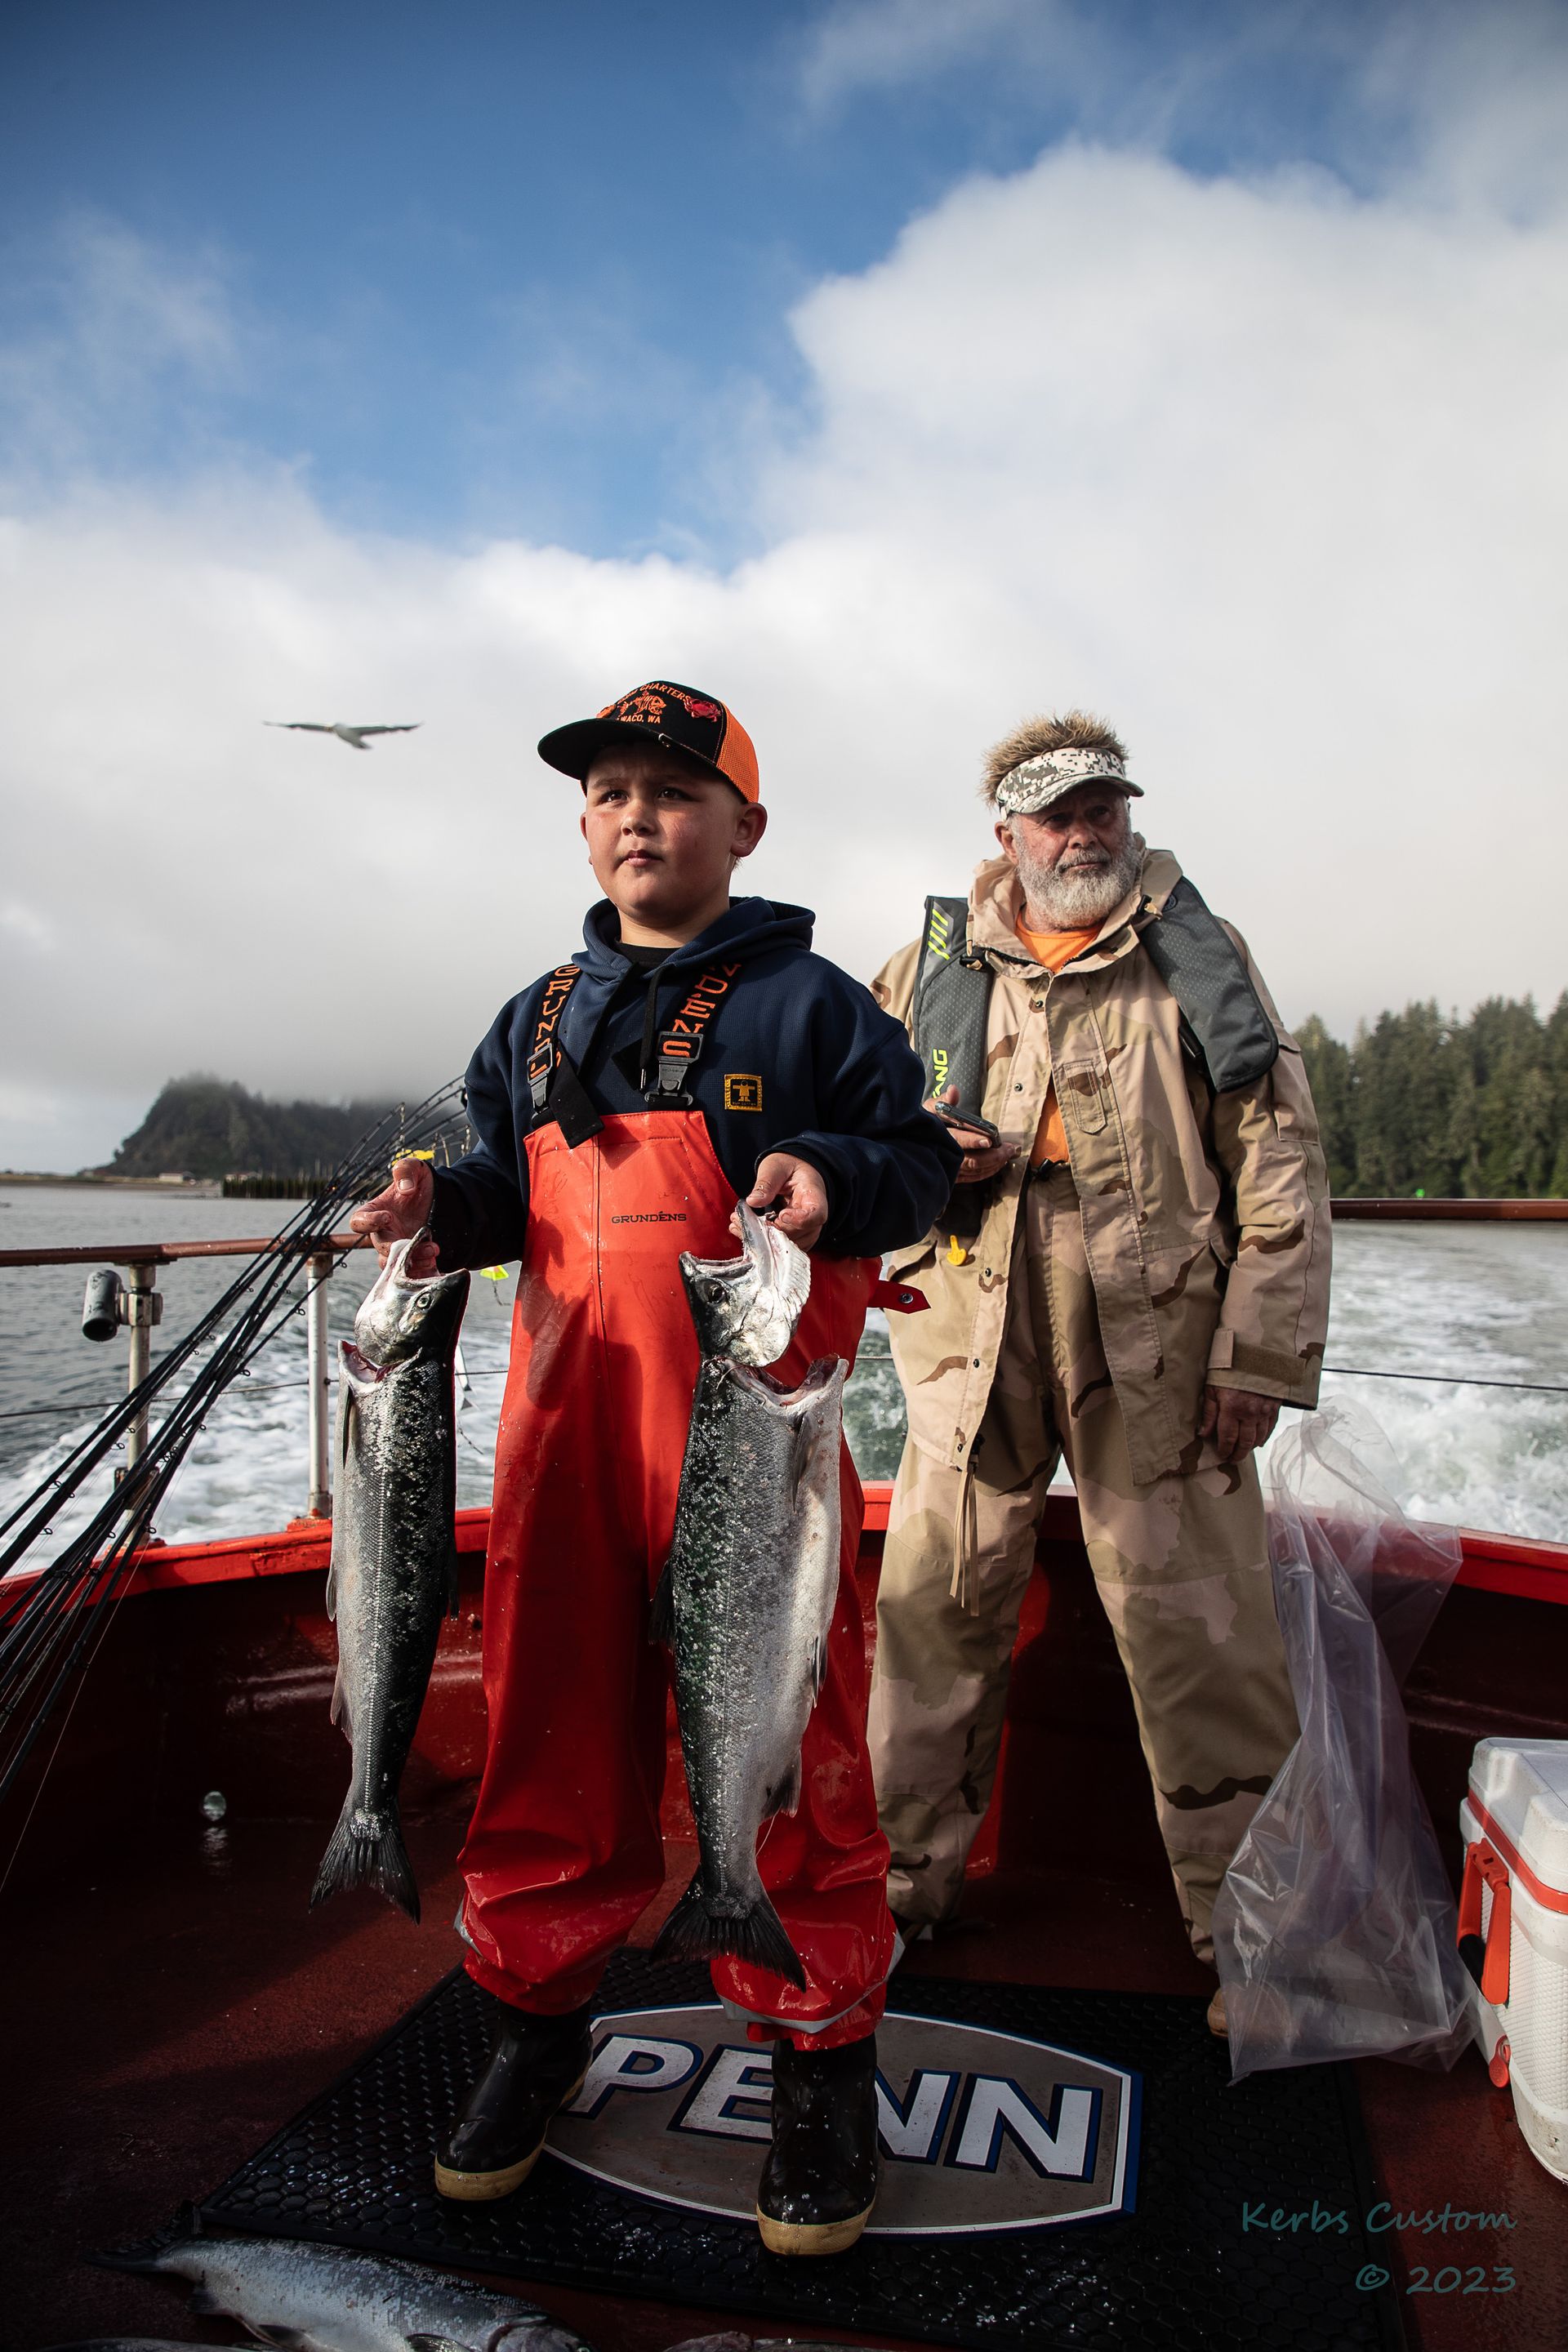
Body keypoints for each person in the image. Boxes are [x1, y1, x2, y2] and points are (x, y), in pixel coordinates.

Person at [351, 678, 957, 2252]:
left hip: (753, 1428)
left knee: (792, 1742)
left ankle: (819, 2054)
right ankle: (538, 2020)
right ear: (582, 822)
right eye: (614, 789)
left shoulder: (813, 1002)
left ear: (743, 828)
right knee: (545, 1735)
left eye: (676, 792)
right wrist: (441, 1213)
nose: (640, 815)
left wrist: (829, 1176)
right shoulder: (533, 1015)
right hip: (567, 1438)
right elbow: (498, 1182)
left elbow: (920, 1166)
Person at [866, 710, 1330, 2033]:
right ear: (1004, 833)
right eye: (1057, 812)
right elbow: (853, 1143)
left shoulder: (1199, 956)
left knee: (1202, 1633)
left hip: (1165, 1344)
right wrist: (919, 1156)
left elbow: (1280, 1160)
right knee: (933, 1615)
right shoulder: (923, 969)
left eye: (1105, 806)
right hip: (971, 1330)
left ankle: (1251, 1939)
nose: (1086, 832)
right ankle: (899, 1899)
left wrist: (1261, 1352)